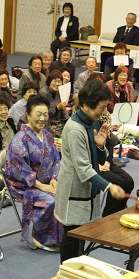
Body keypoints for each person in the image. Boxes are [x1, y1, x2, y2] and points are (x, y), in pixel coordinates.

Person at [55, 79, 126, 263]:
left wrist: (100, 147)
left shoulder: (93, 122)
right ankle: (67, 272)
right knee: (72, 235)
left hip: (88, 188)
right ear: (86, 105)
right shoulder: (74, 129)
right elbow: (83, 169)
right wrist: (109, 186)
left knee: (84, 234)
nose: (104, 112)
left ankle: (79, 268)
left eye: (105, 107)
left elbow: (99, 161)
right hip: (74, 189)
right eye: (101, 108)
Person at [5, 95, 63, 252]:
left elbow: (57, 161)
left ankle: (60, 237)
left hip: (45, 182)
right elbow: (19, 170)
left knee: (65, 195)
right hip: (23, 186)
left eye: (45, 114)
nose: (42, 118)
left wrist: (54, 181)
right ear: (28, 115)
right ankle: (41, 238)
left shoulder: (48, 136)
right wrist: (42, 187)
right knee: (50, 200)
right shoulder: (19, 139)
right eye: (38, 114)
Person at [39, 70, 69, 137]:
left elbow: (64, 113)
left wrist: (71, 122)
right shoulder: (43, 93)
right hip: (47, 125)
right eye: (55, 81)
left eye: (59, 81)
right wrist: (57, 108)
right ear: (50, 81)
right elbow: (43, 114)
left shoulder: (59, 92)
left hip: (58, 124)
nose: (57, 84)